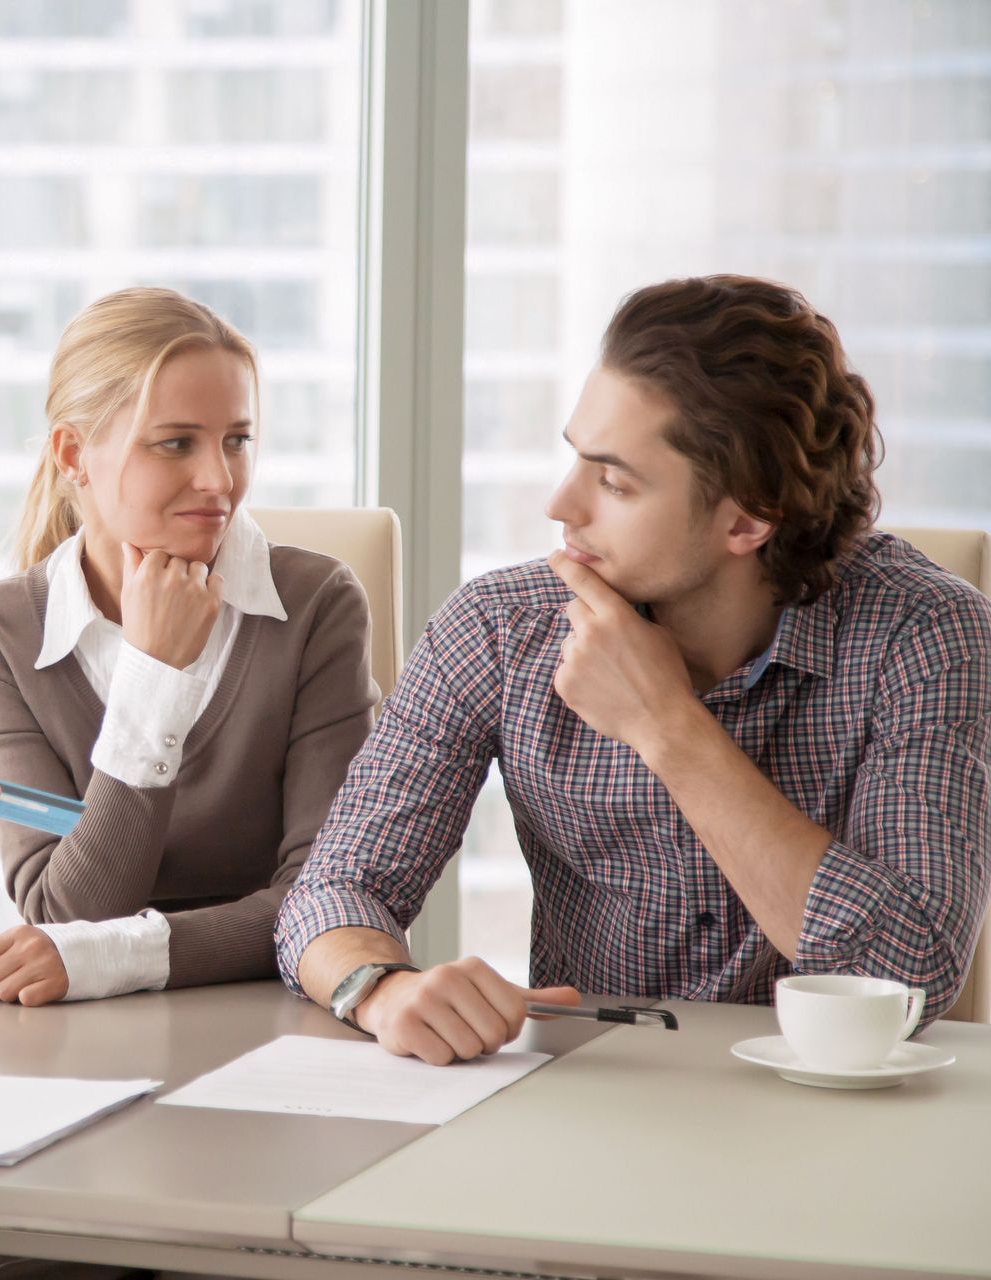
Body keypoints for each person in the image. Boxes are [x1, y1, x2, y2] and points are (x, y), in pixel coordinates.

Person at [278, 274, 991, 1065]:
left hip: (832, 1108)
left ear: (748, 516)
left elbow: (906, 974)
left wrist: (668, 725)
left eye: (614, 481)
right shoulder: (501, 629)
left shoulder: (927, 635)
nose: (561, 503)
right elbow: (333, 889)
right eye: (576, 461)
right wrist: (379, 987)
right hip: (590, 1095)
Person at [0, 286, 378, 1280]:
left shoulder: (313, 606)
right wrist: (154, 681)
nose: (220, 478)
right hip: (68, 1065)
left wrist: (101, 957)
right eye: (175, 442)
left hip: (276, 1058)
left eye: (238, 440)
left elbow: (327, 901)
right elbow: (63, 902)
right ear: (74, 454)